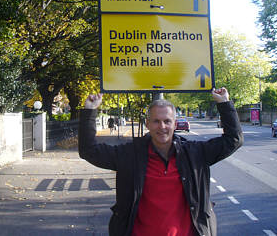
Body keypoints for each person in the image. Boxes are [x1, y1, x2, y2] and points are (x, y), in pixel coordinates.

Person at [78, 88, 243, 236]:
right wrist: (89, 111)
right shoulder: (129, 155)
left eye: (167, 121)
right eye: (156, 121)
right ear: (148, 124)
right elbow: (89, 151)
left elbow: (233, 140)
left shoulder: (195, 154)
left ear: (175, 124)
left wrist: (224, 104)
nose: (162, 126)